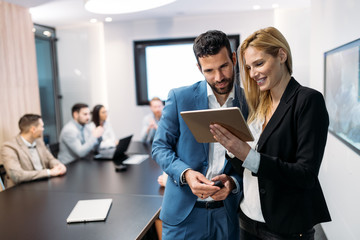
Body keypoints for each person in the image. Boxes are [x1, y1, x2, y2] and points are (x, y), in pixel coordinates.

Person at [209, 26, 331, 239]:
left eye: (259, 63)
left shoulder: (308, 100)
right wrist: (231, 148)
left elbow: (306, 174)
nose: (253, 73)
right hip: (247, 218)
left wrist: (247, 154)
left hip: (284, 227)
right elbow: (249, 166)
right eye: (248, 67)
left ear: (281, 55)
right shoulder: (258, 105)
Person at [152, 30, 248, 240]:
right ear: (199, 68)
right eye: (209, 70)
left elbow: (253, 157)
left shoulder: (249, 102)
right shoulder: (179, 97)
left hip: (227, 214)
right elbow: (159, 147)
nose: (219, 77)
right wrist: (186, 173)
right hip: (183, 215)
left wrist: (233, 183)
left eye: (223, 66)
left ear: (233, 58)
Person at [1, 114, 66, 188]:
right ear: (33, 129)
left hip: (43, 184)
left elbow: (50, 159)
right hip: (21, 189)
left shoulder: (39, 142)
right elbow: (17, 175)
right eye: (41, 126)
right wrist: (49, 172)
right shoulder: (9, 147)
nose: (43, 129)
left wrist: (59, 166)